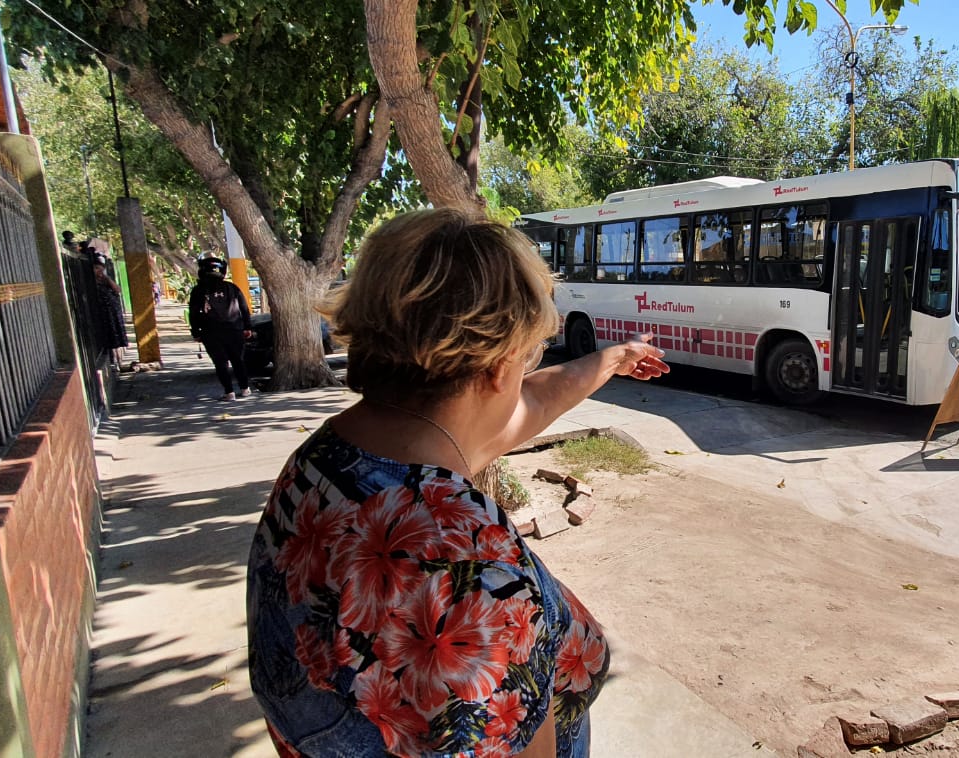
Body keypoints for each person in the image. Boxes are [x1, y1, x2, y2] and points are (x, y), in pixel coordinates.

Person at [246, 209, 668, 757]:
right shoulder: (467, 568)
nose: (524, 378)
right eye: (526, 355)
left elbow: (532, 402)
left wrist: (611, 359)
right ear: (497, 366)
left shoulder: (325, 463)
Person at [188, 257, 253, 399]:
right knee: (238, 360)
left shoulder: (198, 291)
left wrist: (196, 332)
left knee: (220, 362)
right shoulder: (231, 287)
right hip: (234, 330)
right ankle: (245, 389)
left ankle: (229, 392)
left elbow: (193, 313)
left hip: (211, 332)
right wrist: (247, 327)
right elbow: (244, 308)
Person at [88, 252, 129, 367]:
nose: (98, 271)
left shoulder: (105, 281)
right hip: (102, 313)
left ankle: (114, 360)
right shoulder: (90, 282)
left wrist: (106, 277)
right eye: (96, 268)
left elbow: (117, 290)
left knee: (114, 336)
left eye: (100, 269)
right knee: (106, 336)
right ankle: (110, 358)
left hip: (111, 312)